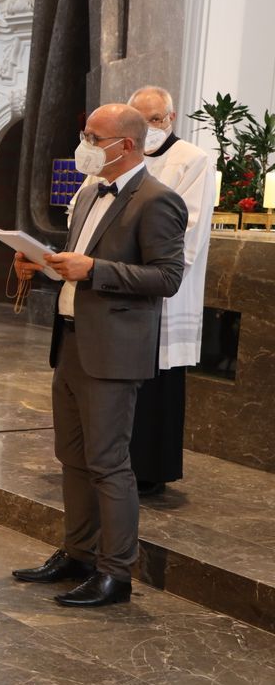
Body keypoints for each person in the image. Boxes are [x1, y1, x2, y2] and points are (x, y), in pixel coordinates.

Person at [12, 103, 186, 607]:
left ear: (125, 145)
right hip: (71, 340)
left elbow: (167, 277)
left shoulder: (157, 200)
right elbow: (78, 264)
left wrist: (95, 268)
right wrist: (41, 265)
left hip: (113, 350)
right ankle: (79, 553)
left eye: (93, 136)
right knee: (72, 457)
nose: (84, 144)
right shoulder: (89, 192)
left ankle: (116, 573)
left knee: (109, 463)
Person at [126, 85, 213, 497]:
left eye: (156, 120)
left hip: (160, 287)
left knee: (157, 380)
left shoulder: (192, 160)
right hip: (119, 284)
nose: (149, 129)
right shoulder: (121, 154)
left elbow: (190, 225)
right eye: (140, 122)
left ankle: (149, 468)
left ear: (171, 119)